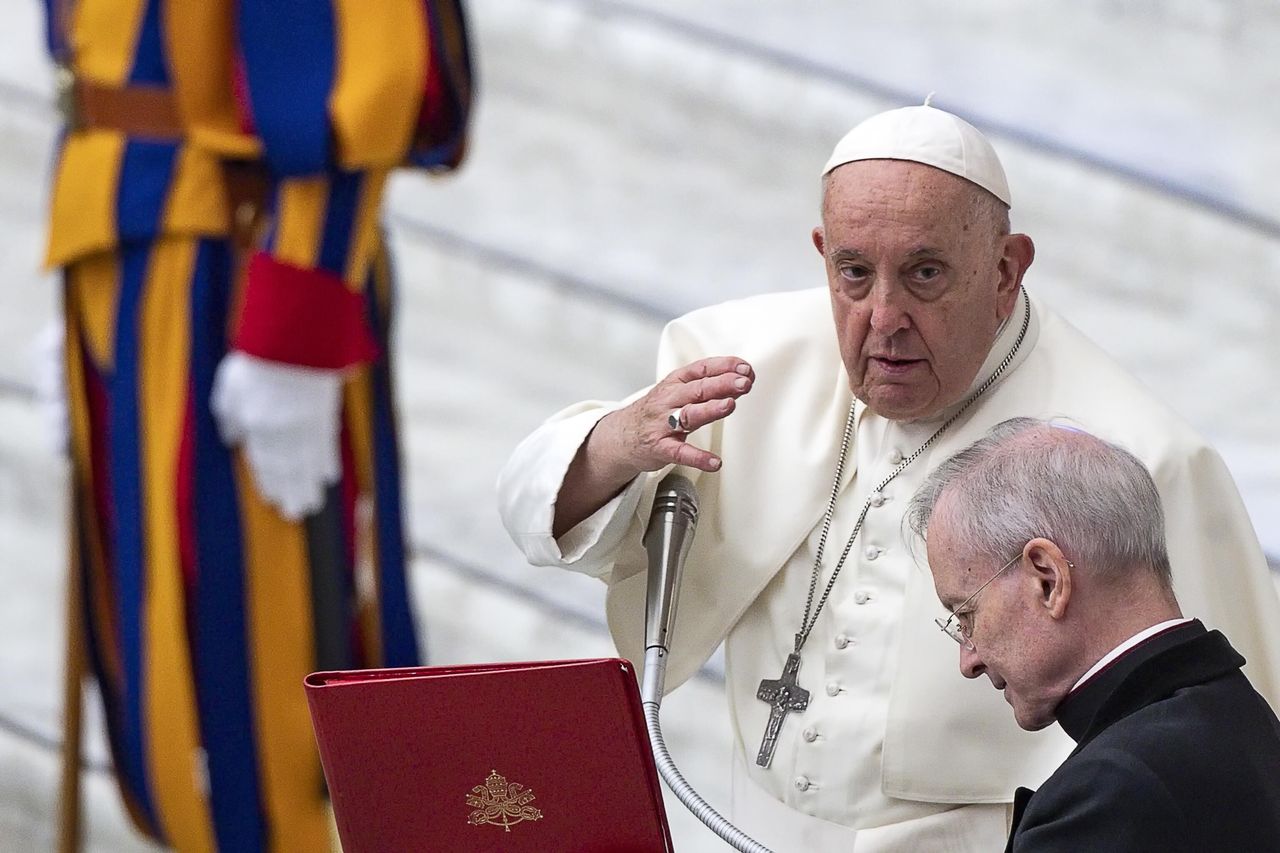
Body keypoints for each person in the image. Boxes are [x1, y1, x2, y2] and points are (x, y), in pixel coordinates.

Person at [497, 103, 1280, 850]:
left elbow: (1218, 743)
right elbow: (530, 506)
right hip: (755, 823)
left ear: (1006, 270)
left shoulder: (1136, 452)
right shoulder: (742, 365)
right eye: (854, 273)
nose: (883, 318)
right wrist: (610, 447)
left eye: (926, 273)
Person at [41, 1, 472, 850]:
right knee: (167, 690)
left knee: (271, 702)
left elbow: (352, 59)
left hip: (235, 265)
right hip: (133, 249)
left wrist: (299, 310)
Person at [907, 417, 1280, 852]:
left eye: (966, 615)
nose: (968, 660)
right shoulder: (1237, 714)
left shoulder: (1108, 796)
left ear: (1047, 580)